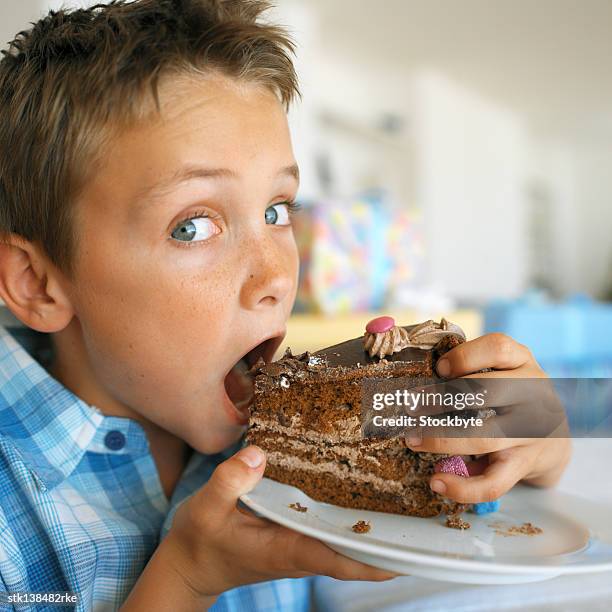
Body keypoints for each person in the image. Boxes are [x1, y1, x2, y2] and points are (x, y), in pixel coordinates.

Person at [0, 1, 572, 610]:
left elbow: (461, 493)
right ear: (38, 285)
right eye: (194, 226)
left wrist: (533, 449)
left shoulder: (298, 433)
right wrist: (188, 578)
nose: (277, 274)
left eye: (277, 210)